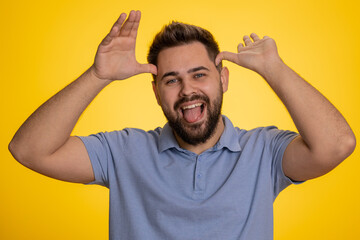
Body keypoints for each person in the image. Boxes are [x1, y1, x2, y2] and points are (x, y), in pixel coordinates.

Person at [9, 10, 356, 240]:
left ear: (223, 79)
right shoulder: (123, 152)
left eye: (199, 75)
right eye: (171, 80)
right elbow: (28, 150)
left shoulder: (264, 152)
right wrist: (98, 75)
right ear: (157, 92)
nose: (188, 90)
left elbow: (336, 145)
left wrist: (275, 70)